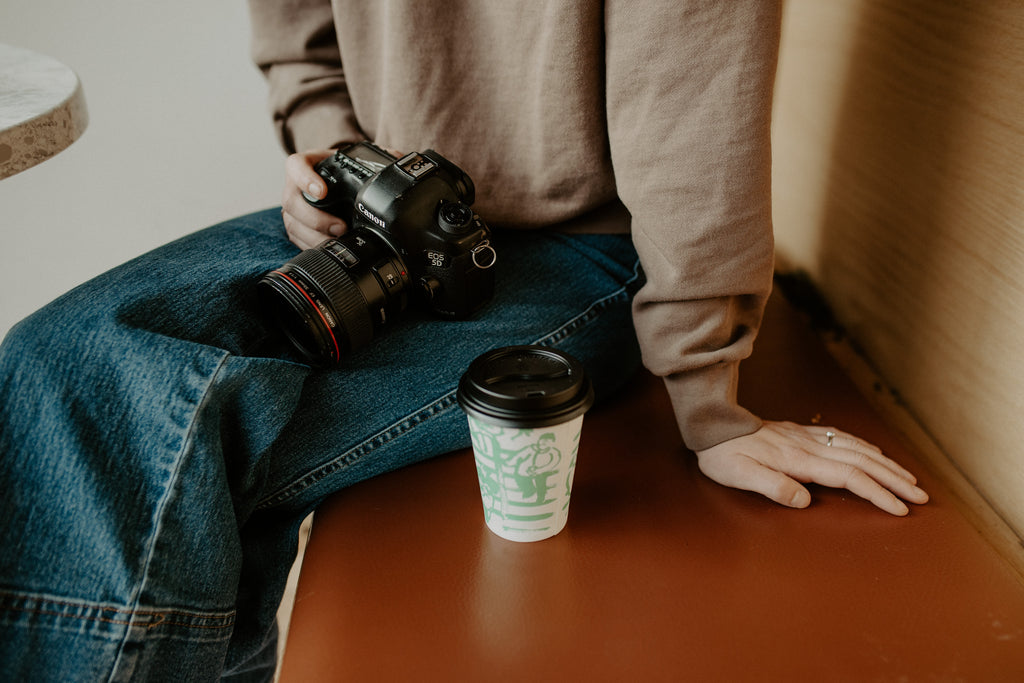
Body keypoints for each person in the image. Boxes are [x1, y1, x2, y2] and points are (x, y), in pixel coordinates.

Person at [0, 1, 928, 680]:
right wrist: (340, 170)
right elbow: (299, 38)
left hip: (592, 242)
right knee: (54, 361)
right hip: (386, 211)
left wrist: (707, 393)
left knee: (138, 408)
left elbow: (690, 101)